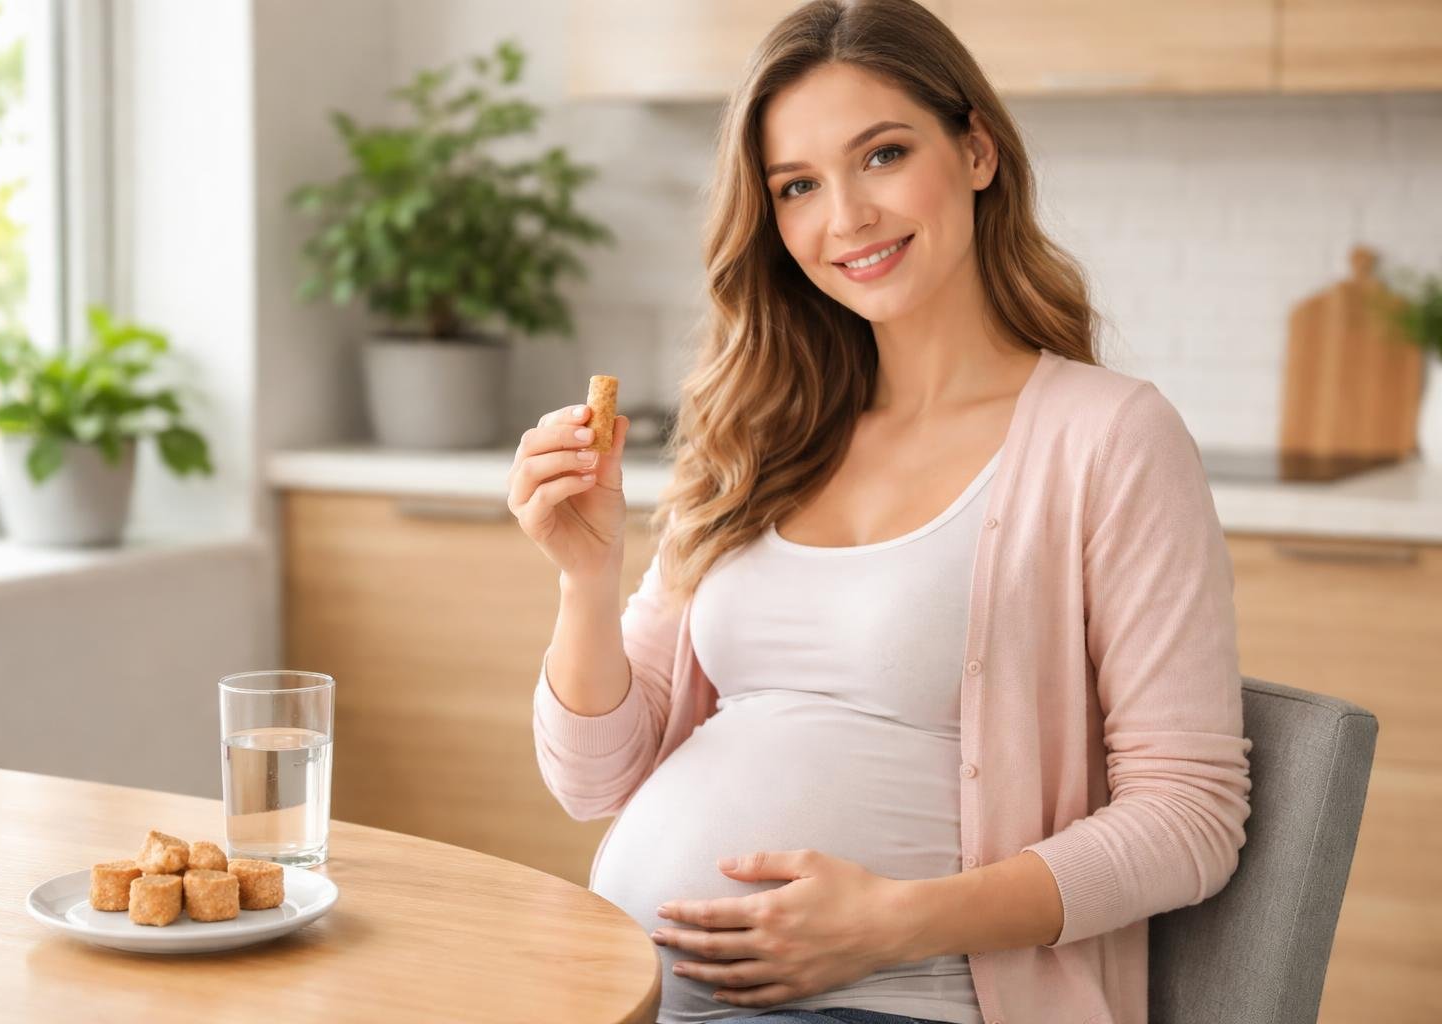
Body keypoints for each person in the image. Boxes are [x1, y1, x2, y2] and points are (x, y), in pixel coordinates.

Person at [505, 2, 1252, 1022]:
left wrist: (895, 921)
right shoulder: (760, 428)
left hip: (906, 998)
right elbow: (595, 780)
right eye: (799, 186)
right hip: (625, 995)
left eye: (884, 155)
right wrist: (584, 582)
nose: (846, 215)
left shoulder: (1108, 437)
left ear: (977, 149)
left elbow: (1191, 817)